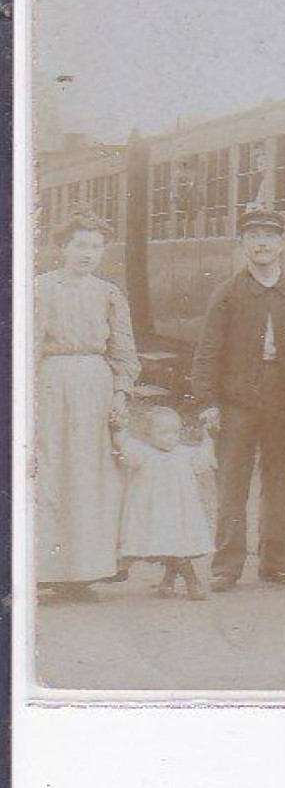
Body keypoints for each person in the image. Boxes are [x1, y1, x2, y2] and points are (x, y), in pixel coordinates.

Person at [189, 204, 285, 592]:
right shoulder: (228, 293)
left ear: (282, 244)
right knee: (232, 483)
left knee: (282, 481)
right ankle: (226, 566)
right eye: (253, 237)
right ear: (243, 245)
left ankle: (276, 562)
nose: (261, 244)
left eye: (269, 237)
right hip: (237, 404)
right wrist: (207, 403)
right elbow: (207, 351)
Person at [34, 209, 142, 602]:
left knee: (92, 476)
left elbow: (124, 352)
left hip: (96, 389)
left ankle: (84, 573)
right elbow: (26, 347)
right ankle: (48, 569)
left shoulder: (108, 294)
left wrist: (119, 394)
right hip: (52, 386)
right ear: (62, 247)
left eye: (96, 247)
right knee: (53, 471)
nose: (87, 254)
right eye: (80, 245)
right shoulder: (41, 289)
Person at [114, 406, 215, 601]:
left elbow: (204, 458)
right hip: (153, 514)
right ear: (148, 434)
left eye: (175, 432)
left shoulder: (183, 454)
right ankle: (179, 581)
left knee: (176, 545)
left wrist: (208, 436)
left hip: (178, 514)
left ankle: (181, 582)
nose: (171, 438)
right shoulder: (142, 452)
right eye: (164, 433)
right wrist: (119, 428)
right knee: (167, 546)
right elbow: (124, 446)